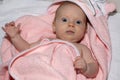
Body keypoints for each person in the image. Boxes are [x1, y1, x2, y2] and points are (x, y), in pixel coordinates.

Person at [2, 1, 99, 78]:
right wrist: (15, 36)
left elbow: (94, 68)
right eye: (64, 20)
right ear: (54, 26)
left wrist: (86, 68)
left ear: (85, 30)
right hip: (37, 72)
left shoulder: (82, 48)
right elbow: (26, 48)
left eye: (78, 22)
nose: (71, 24)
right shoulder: (47, 41)